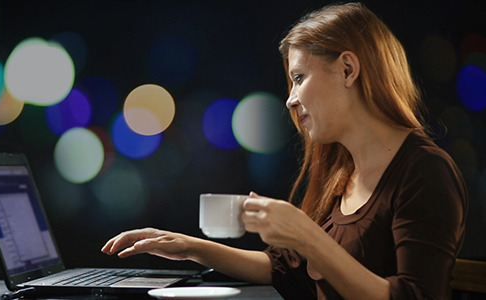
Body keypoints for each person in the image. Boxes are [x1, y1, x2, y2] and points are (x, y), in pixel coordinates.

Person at [101, 2, 468, 299]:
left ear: (347, 69)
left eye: (298, 78)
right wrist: (191, 248)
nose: (291, 99)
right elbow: (287, 268)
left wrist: (307, 236)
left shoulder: (425, 171)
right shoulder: (344, 170)